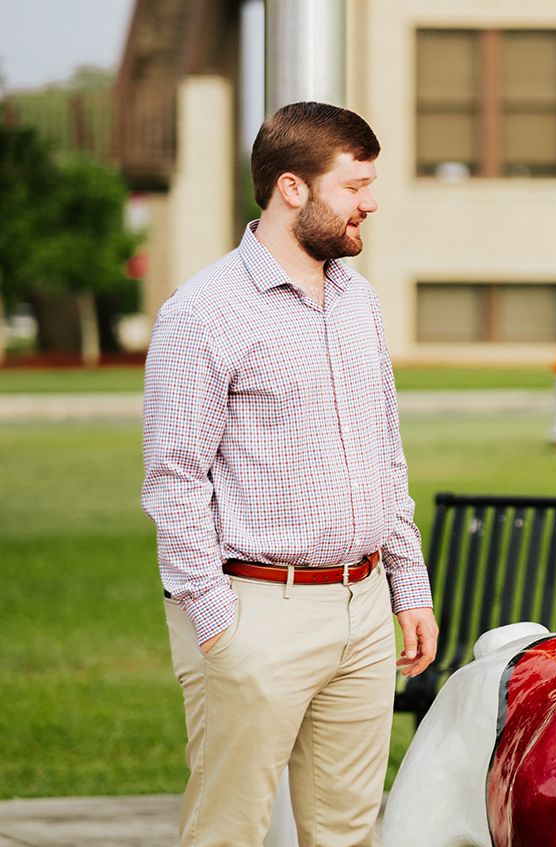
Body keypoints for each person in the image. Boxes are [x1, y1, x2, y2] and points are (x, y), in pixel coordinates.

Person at [142, 101, 438, 846]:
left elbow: (386, 452)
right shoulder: (203, 312)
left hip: (363, 609)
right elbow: (174, 480)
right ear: (292, 188)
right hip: (255, 609)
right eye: (355, 184)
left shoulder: (357, 300)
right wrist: (217, 624)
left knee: (347, 831)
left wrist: (408, 589)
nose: (371, 202)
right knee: (226, 831)